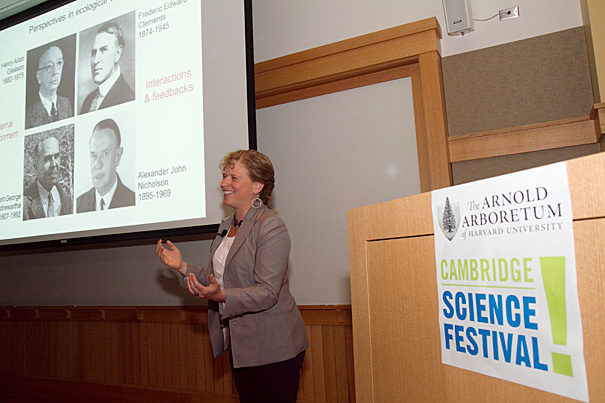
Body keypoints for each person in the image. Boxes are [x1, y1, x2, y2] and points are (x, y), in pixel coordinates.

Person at [156, 150, 308, 402]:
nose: (224, 183)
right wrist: (182, 266)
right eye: (224, 175)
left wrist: (222, 296)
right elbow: (216, 280)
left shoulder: (270, 226)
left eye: (234, 178)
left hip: (274, 348)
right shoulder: (226, 226)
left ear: (257, 186)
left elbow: (268, 292)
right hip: (242, 348)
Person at [76, 118, 135, 212]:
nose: (97, 165)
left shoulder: (133, 201)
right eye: (93, 155)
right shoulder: (78, 205)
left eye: (105, 154)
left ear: (118, 156)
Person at [81, 21, 134, 113]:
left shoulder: (128, 97)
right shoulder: (88, 100)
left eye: (103, 50)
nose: (96, 60)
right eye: (94, 52)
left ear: (118, 53)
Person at [23, 135, 73, 219]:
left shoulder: (68, 201)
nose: (54, 164)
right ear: (35, 165)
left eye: (56, 157)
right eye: (47, 159)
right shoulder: (24, 203)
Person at [25, 46, 73, 129]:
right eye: (49, 66)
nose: (55, 72)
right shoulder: (28, 114)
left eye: (59, 63)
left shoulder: (66, 103)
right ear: (39, 77)